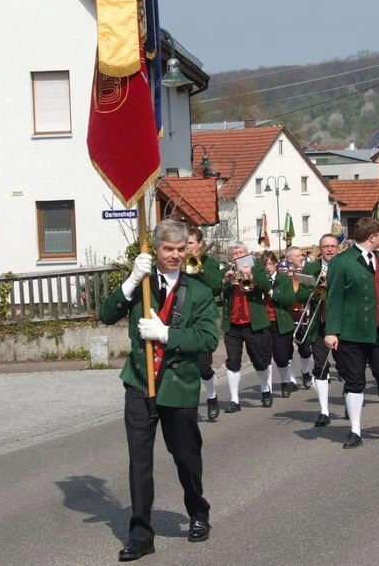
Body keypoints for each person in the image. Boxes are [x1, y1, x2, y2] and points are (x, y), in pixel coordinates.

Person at [100, 220, 219, 561]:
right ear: (156, 249)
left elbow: (209, 339)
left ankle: (198, 512)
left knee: (186, 456)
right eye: (169, 249)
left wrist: (167, 334)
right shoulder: (143, 285)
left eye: (182, 250)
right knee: (139, 461)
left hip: (179, 384)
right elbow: (107, 314)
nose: (176, 255)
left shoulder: (199, 291)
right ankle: (141, 534)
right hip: (140, 381)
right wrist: (131, 281)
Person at [324, 218, 379, 448]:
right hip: (351, 333)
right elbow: (334, 298)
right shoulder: (342, 262)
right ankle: (355, 430)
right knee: (354, 382)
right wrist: (332, 331)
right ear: (372, 237)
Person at [220, 241, 275, 411]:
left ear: (247, 254)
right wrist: (225, 280)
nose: (237, 256)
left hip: (253, 323)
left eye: (240, 252)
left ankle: (266, 390)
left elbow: (267, 287)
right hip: (233, 324)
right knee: (233, 361)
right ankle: (234, 400)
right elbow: (216, 290)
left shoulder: (257, 268)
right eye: (234, 253)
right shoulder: (227, 270)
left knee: (260, 360)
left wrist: (251, 276)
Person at [295, 234, 339, 427]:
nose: (329, 250)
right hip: (319, 323)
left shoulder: (344, 265)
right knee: (320, 367)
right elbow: (302, 292)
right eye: (325, 246)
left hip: (342, 324)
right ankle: (324, 411)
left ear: (338, 248)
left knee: (346, 367)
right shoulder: (312, 268)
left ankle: (349, 400)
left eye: (332, 246)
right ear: (320, 249)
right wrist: (315, 290)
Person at [185, 227, 225, 422]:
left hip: (203, 321)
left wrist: (198, 268)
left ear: (200, 245)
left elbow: (216, 285)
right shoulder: (178, 262)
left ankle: (211, 397)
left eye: (190, 243)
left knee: (203, 367)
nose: (186, 247)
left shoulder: (211, 264)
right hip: (183, 319)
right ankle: (187, 406)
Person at [259, 251, 297, 397]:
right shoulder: (259, 280)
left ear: (276, 264)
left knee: (281, 357)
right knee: (265, 356)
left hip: (281, 323)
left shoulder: (284, 279)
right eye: (264, 265)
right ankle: (267, 390)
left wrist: (272, 293)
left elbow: (289, 300)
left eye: (269, 264)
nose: (267, 267)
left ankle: (284, 381)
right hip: (264, 323)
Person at [285, 246, 314, 388]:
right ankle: (291, 379)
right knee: (287, 349)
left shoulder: (308, 272)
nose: (301, 257)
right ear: (289, 259)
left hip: (306, 315)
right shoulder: (284, 274)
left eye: (301, 255)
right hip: (289, 315)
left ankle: (305, 371)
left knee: (305, 349)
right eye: (297, 256)